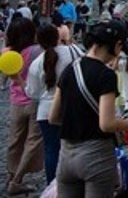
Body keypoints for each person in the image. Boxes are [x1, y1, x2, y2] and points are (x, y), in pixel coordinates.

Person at [48, 21, 128, 197]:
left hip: (67, 155)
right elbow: (107, 124)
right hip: (96, 156)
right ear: (117, 44)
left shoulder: (70, 69)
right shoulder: (106, 75)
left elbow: (53, 117)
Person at [26, 24, 84, 184]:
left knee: (51, 151)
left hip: (46, 111)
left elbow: (32, 93)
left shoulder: (37, 63)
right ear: (57, 36)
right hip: (72, 108)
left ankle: (52, 185)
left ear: (39, 41)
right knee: (75, 148)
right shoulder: (73, 51)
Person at [4, 16, 44, 194]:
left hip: (16, 101)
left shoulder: (6, 52)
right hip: (34, 100)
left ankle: (11, 174)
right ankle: (17, 180)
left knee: (15, 140)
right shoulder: (37, 51)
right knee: (33, 141)